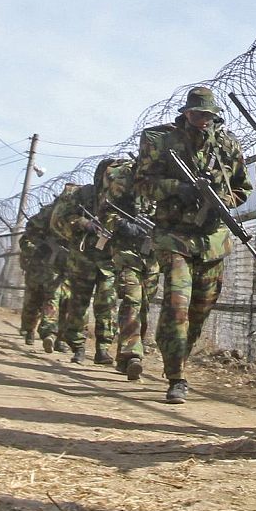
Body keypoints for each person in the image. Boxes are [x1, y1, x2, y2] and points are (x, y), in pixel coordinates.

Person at [131, 86, 251, 404]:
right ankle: (176, 375)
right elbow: (143, 183)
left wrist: (222, 198)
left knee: (200, 308)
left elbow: (244, 188)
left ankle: (177, 352)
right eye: (198, 115)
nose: (203, 121)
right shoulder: (160, 140)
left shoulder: (227, 145)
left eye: (209, 116)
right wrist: (179, 189)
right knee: (177, 304)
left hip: (212, 238)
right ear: (186, 113)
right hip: (174, 234)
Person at [97, 153, 160, 381]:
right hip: (126, 250)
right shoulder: (124, 177)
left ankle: (125, 356)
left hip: (153, 253)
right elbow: (104, 214)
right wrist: (124, 225)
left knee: (143, 304)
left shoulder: (167, 176)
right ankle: (133, 354)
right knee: (132, 299)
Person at [49, 172, 118, 364]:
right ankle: (78, 346)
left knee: (107, 304)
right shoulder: (83, 195)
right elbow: (59, 219)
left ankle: (103, 348)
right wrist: (82, 223)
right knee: (79, 304)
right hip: (83, 257)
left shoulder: (122, 196)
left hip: (109, 260)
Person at [17, 199, 69, 349]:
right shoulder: (44, 216)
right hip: (38, 267)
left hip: (60, 267)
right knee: (33, 300)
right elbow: (25, 240)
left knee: (57, 299)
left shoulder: (76, 215)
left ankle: (52, 335)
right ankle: (29, 330)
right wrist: (37, 250)